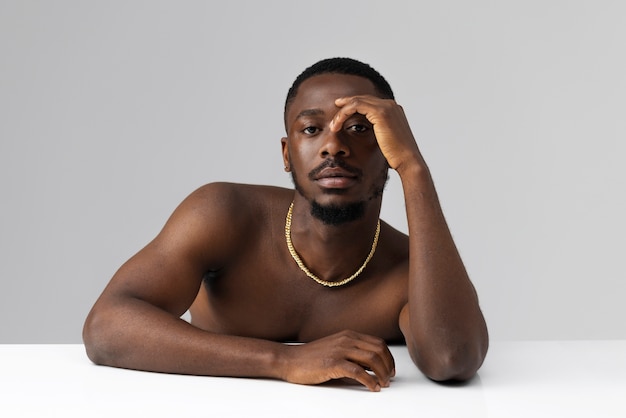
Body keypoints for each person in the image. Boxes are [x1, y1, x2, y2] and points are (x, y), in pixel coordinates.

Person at [83, 57, 488, 392]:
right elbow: (106, 327)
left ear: (388, 148)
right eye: (311, 129)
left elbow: (453, 358)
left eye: (360, 128)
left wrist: (414, 169)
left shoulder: (408, 269)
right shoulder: (225, 214)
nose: (333, 145)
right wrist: (285, 360)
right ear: (287, 153)